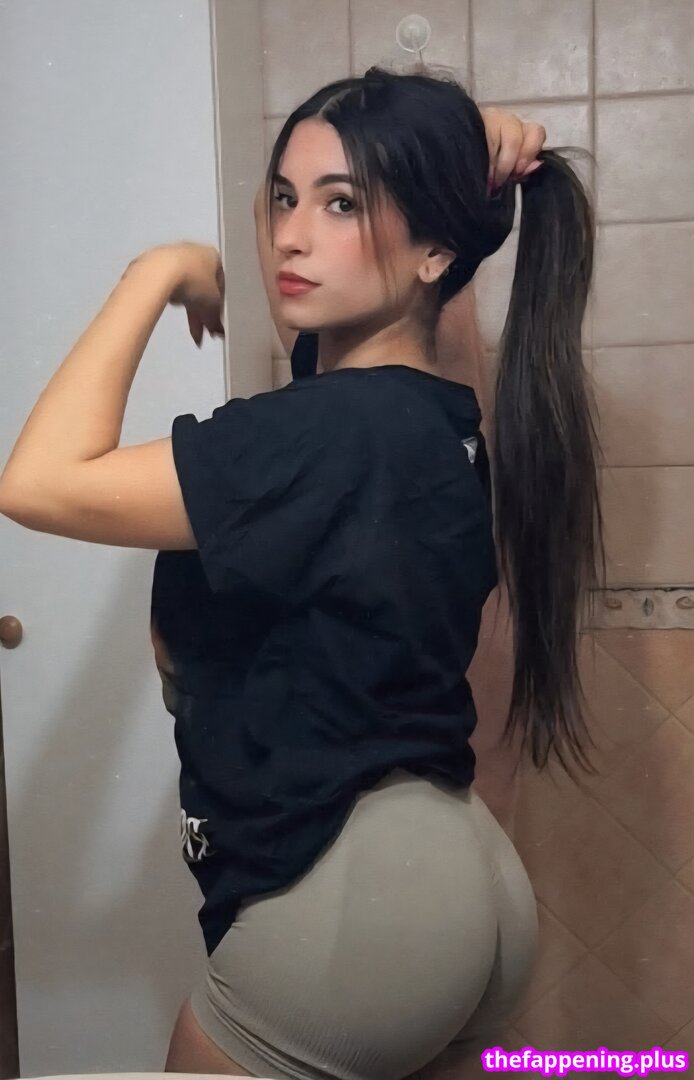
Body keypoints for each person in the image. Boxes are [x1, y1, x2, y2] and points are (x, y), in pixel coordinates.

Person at [0, 66, 603, 1079]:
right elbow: (322, 254)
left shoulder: (320, 435)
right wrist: (456, 147)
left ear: (437, 251)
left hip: (348, 907)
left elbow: (37, 481)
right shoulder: (427, 415)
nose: (288, 234)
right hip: (464, 885)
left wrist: (158, 271)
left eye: (343, 205)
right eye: (288, 199)